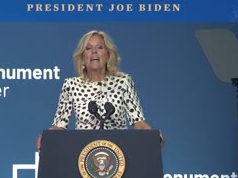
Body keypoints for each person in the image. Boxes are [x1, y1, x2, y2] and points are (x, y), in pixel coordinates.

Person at [35, 30, 164, 151]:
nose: (94, 52)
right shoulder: (71, 85)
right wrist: (46, 138)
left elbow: (139, 122)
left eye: (100, 48)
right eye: (88, 48)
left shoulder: (123, 81)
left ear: (108, 55)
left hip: (119, 153)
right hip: (83, 154)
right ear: (82, 57)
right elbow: (59, 125)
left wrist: (153, 137)